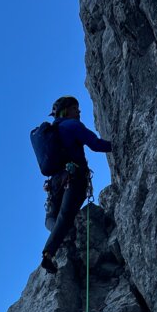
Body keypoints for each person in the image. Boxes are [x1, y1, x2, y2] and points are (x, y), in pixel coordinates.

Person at [41, 96, 112, 274]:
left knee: (51, 219)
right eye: (75, 108)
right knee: (65, 215)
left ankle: (62, 235)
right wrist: (117, 144)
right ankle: (49, 253)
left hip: (55, 183)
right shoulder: (72, 125)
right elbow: (95, 145)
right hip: (74, 177)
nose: (79, 112)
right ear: (66, 111)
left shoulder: (52, 132)